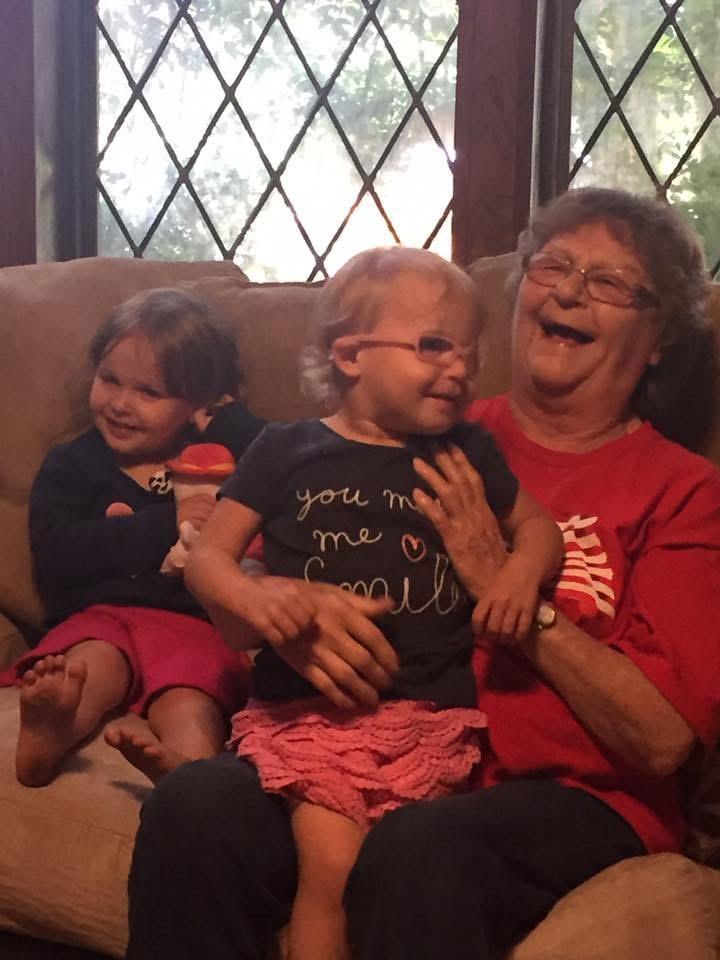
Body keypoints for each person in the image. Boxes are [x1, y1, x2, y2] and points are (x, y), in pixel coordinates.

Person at [125, 188, 720, 960]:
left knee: (416, 850)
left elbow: (662, 740)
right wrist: (291, 618)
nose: (569, 290)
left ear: (660, 336)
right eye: (555, 265)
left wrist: (513, 591)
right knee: (196, 806)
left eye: (610, 282)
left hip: (563, 797)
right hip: (351, 743)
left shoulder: (683, 491)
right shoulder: (418, 427)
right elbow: (249, 577)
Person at [182, 246, 563, 960]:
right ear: (351, 355)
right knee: (331, 868)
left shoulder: (466, 451)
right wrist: (259, 601)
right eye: (434, 347)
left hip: (431, 717)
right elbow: (208, 558)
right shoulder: (285, 448)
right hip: (314, 714)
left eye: (470, 356)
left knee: (401, 876)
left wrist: (518, 577)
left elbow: (537, 527)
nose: (461, 370)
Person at [4, 287, 264, 787]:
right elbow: (57, 554)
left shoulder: (218, 458)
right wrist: (165, 523)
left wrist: (225, 418)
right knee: (88, 667)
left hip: (194, 624)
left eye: (150, 392)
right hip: (103, 617)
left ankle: (188, 776)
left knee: (191, 698)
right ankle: (52, 730)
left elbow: (283, 456)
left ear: (198, 403)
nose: (121, 404)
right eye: (110, 380)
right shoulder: (73, 465)